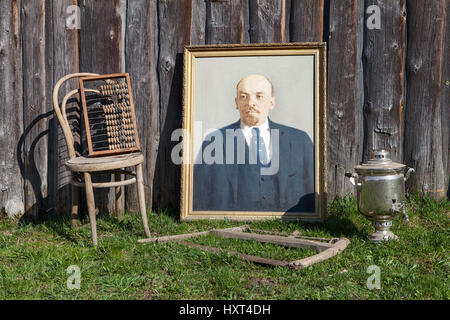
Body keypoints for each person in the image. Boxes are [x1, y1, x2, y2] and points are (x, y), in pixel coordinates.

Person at [193, 74, 314, 212]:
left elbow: (312, 191)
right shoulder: (214, 142)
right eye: (244, 96)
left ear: (272, 102)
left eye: (259, 96)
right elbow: (198, 195)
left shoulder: (300, 140)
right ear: (236, 102)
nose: (251, 103)